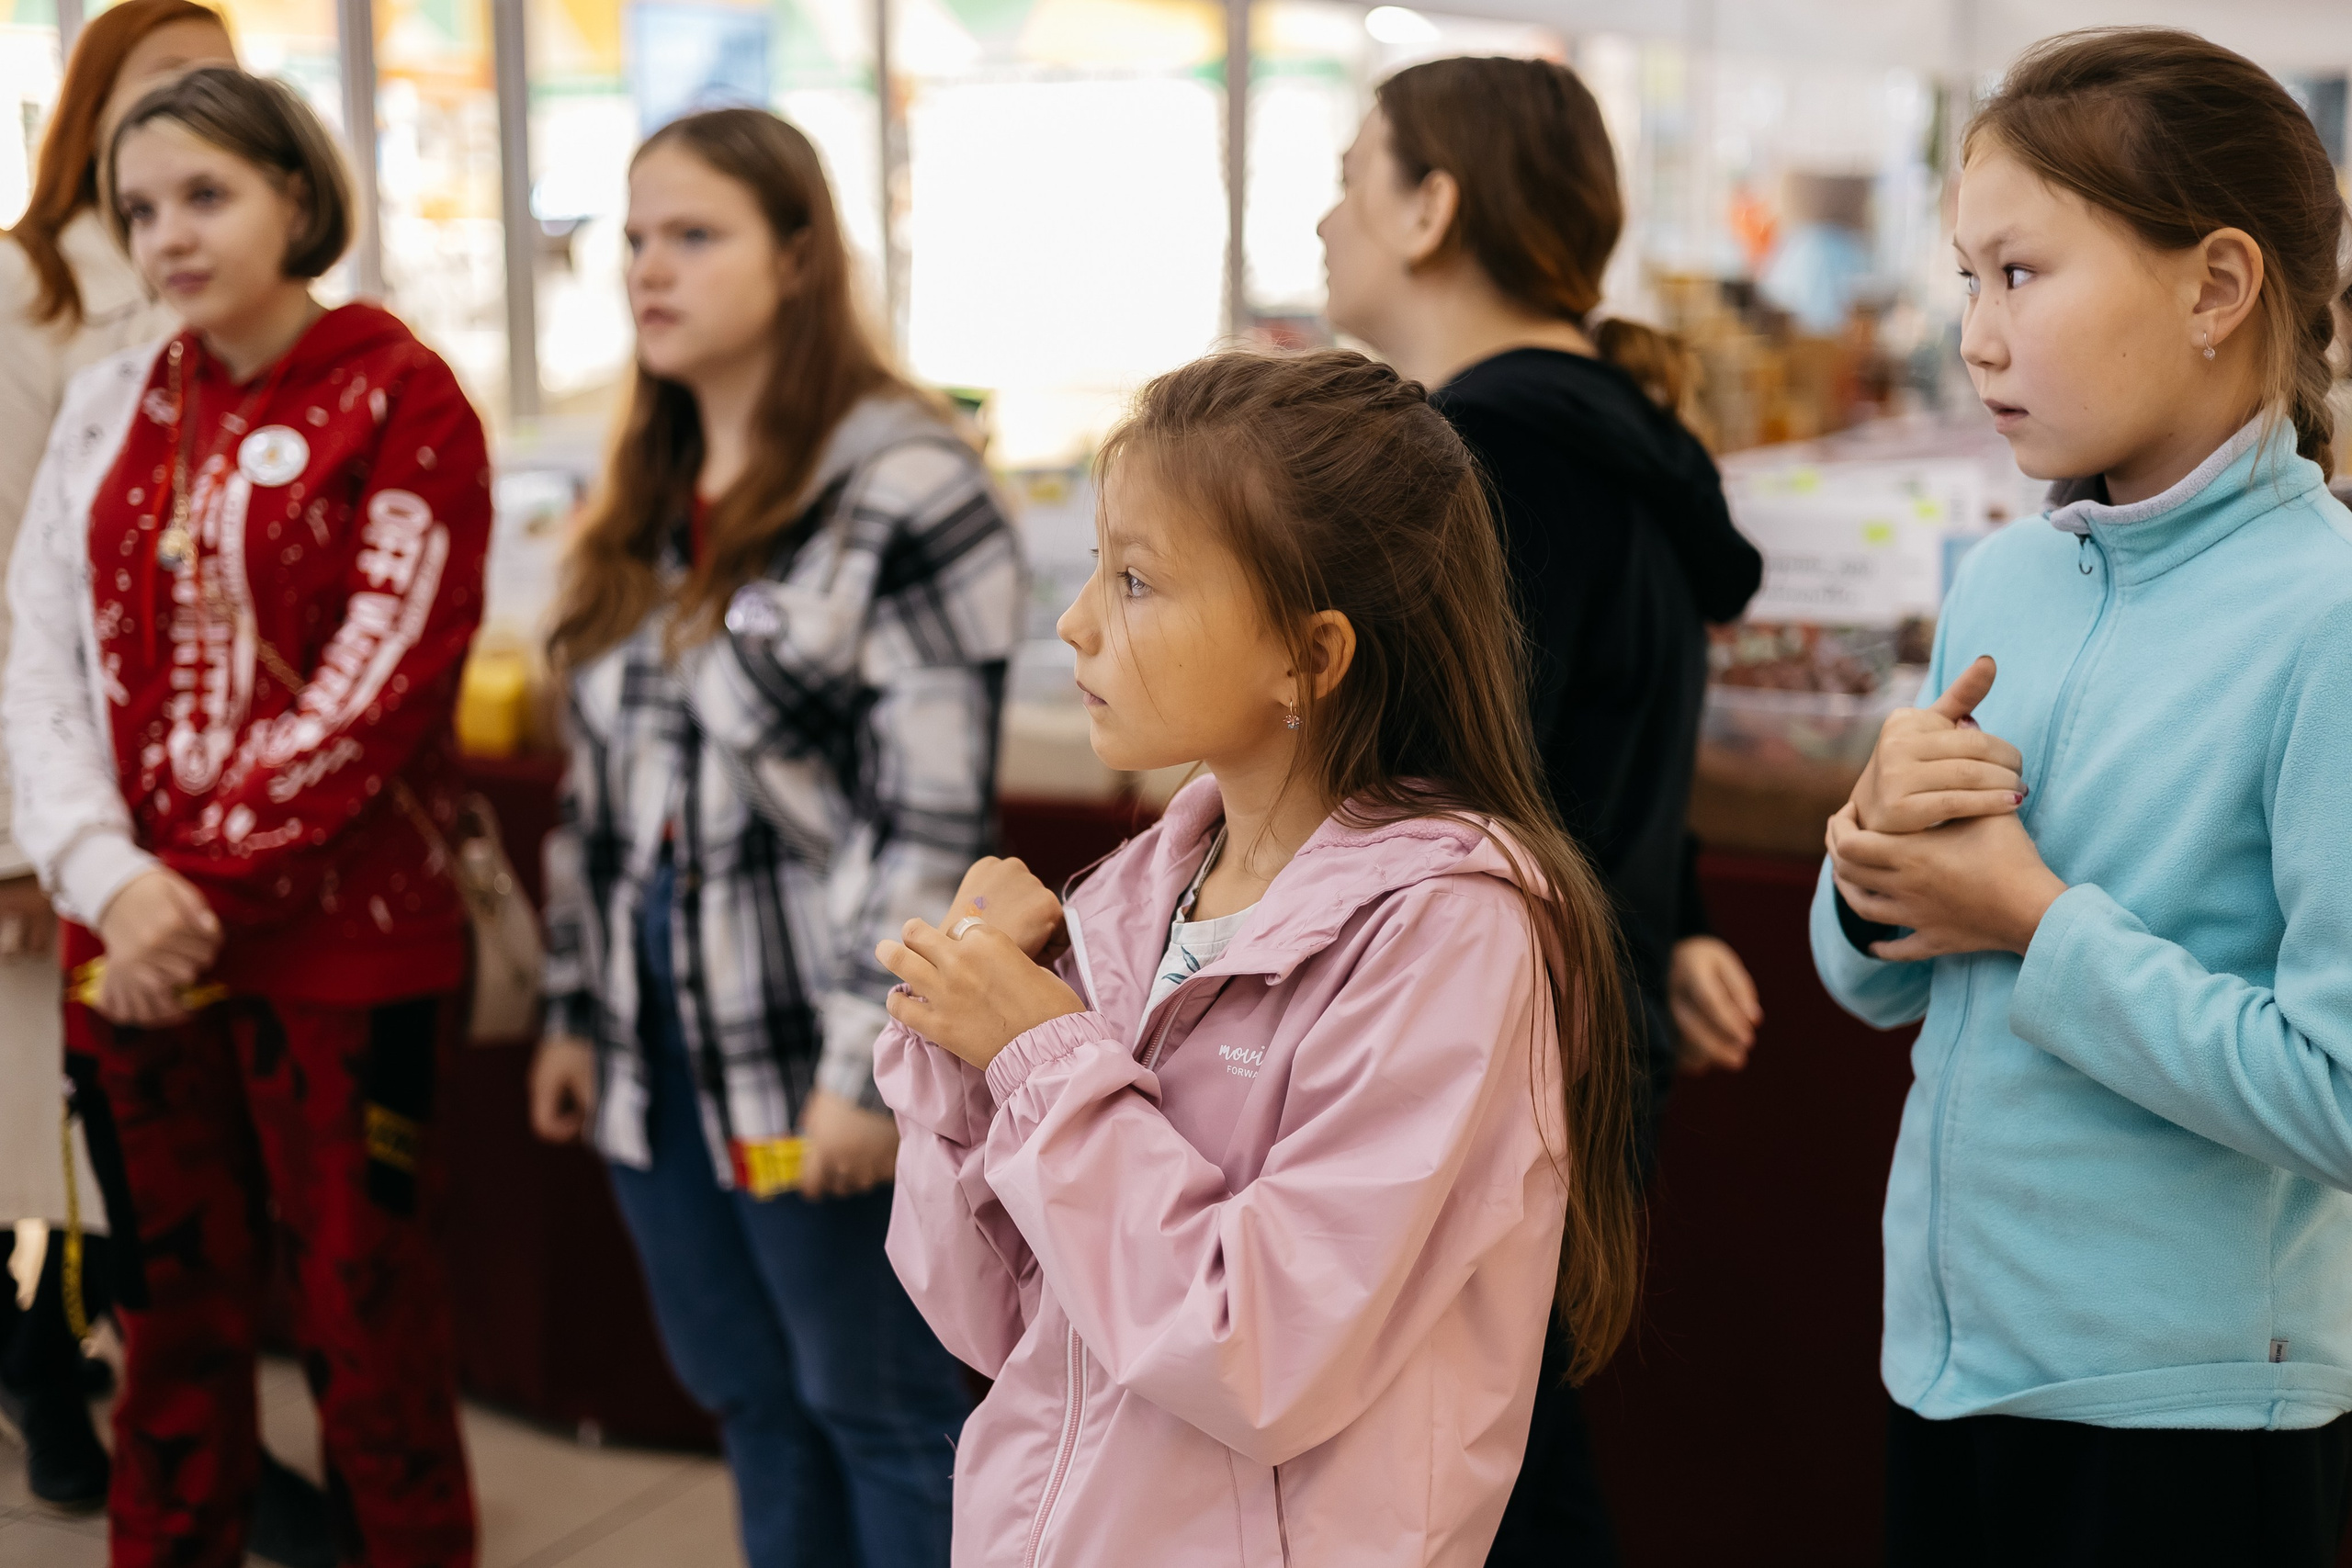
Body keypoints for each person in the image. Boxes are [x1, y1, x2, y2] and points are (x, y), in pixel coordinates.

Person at [872, 347, 1644, 1566]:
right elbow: (983, 1311)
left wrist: (1034, 1053)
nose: (1076, 625)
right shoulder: (1134, 896)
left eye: (1135, 581)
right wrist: (961, 1056)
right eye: (1094, 567)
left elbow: (1256, 1349)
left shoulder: (1450, 934)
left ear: (1311, 657)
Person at [1812, 28, 2352, 1566]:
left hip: (2190, 1431)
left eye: (2021, 275)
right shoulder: (2009, 576)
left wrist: (2034, 922)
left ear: (2216, 286)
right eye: (1966, 278)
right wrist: (1871, 858)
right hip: (1951, 1364)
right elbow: (1867, 981)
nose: (1975, 335)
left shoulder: (2327, 619)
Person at [5, 64, 490, 1565]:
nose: (168, 237)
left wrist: (176, 897)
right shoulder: (107, 403)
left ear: (298, 197)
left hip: (342, 964)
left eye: (206, 196)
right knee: (168, 1332)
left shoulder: (401, 394)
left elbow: (374, 688)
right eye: (140, 209)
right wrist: (102, 876)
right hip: (131, 964)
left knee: (365, 1332)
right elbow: (38, 664)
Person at [528, 107, 1013, 1568]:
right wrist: (570, 1007)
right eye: (631, 241)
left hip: (814, 1030)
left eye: (693, 236)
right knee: (746, 1394)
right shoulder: (645, 492)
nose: (646, 271)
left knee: (871, 1402)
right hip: (654, 1028)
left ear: (799, 258)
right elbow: (596, 793)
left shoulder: (907, 487)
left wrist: (871, 1067)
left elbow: (930, 817)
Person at [1315, 54, 1765, 1564]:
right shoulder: (1598, 440)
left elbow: (1438, 794)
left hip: (1481, 1058)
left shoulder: (1483, 461)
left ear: (1433, 207)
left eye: (1352, 175)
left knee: (1468, 1478)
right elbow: (1583, 741)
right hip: (1575, 1034)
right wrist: (1678, 911)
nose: (1328, 218)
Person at [0, 0, 232, 1513]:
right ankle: (42, 1377)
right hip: (58, 803)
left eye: (219, 89)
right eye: (162, 84)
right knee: (54, 1139)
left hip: (202, 822)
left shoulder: (237, 307)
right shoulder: (24, 298)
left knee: (169, 1142)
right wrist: (21, 844)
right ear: (92, 109)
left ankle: (172, 1414)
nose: (191, 113)